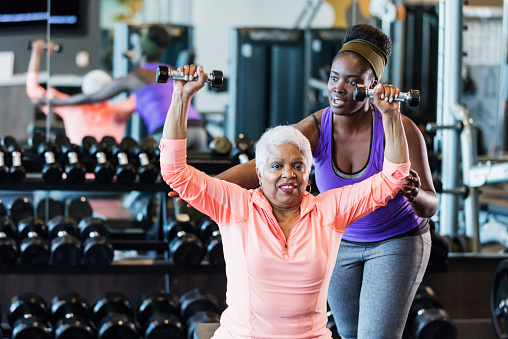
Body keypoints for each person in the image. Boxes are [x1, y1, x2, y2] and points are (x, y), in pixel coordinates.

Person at [211, 24, 438, 338]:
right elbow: (262, 167)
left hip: (395, 241)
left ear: (374, 85)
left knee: (376, 336)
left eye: (352, 81)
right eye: (334, 77)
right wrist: (204, 187)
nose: (338, 88)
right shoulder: (317, 127)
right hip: (339, 242)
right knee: (346, 333)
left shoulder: (401, 128)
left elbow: (431, 204)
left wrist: (413, 194)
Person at [160, 64, 411, 338]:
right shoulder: (235, 206)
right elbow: (175, 172)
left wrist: (391, 115)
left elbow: (394, 177)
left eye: (298, 166)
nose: (288, 174)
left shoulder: (329, 211)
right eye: (276, 166)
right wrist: (181, 97)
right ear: (258, 173)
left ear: (308, 174)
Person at [43, 24, 207, 150]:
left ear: (141, 52)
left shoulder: (135, 77)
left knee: (149, 180)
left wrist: (56, 102)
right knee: (191, 186)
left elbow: (92, 96)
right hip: (197, 128)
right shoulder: (169, 69)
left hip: (168, 130)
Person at [26, 39, 133, 144]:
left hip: (78, 160)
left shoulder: (73, 109)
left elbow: (33, 91)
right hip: (111, 160)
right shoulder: (118, 111)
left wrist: (36, 53)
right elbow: (146, 90)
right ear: (110, 91)